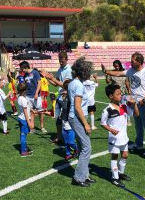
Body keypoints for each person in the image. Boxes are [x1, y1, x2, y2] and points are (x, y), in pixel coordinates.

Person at [102, 52, 145, 157]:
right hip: (134, 103)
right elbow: (118, 73)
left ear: (139, 61)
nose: (131, 63)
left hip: (143, 104)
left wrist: (144, 100)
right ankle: (139, 144)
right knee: (138, 125)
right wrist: (105, 71)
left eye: (133, 61)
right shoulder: (130, 71)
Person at [101, 84, 139, 187]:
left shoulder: (124, 106)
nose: (120, 95)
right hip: (114, 139)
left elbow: (136, 114)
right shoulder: (107, 110)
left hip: (124, 138)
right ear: (110, 96)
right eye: (118, 94)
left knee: (125, 155)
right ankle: (115, 178)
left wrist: (134, 104)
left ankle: (120, 173)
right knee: (115, 157)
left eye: (120, 93)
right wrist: (110, 129)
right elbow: (103, 123)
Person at [68, 57, 95, 187]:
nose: (89, 73)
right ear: (83, 71)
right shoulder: (78, 85)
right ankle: (78, 177)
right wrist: (86, 124)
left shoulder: (74, 82)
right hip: (77, 118)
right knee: (86, 148)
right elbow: (78, 107)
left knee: (81, 147)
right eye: (88, 71)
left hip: (74, 117)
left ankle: (85, 175)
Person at [42, 51, 73, 144]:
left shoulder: (69, 70)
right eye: (59, 60)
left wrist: (53, 79)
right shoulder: (60, 69)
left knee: (66, 120)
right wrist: (47, 78)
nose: (60, 62)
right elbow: (56, 84)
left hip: (66, 98)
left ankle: (69, 139)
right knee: (58, 119)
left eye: (62, 61)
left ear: (66, 59)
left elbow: (65, 86)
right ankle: (59, 138)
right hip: (59, 97)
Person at [20, 61, 46, 133]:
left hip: (36, 96)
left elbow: (39, 83)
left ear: (25, 67)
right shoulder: (25, 75)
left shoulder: (35, 72)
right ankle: (32, 127)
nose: (21, 70)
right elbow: (25, 86)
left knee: (40, 112)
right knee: (31, 112)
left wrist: (37, 93)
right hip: (28, 96)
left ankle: (42, 127)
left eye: (22, 68)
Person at [106, 60, 132, 125]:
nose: (116, 67)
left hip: (124, 92)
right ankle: (118, 119)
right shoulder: (112, 72)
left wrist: (129, 90)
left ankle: (128, 120)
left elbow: (127, 82)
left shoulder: (124, 72)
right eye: (115, 66)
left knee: (125, 106)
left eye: (117, 66)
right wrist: (107, 76)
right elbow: (108, 82)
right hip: (115, 93)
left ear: (120, 65)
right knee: (116, 106)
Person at [61, 80, 78, 161]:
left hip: (70, 122)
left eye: (65, 88)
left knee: (71, 142)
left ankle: (77, 149)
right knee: (66, 141)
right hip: (64, 121)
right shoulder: (64, 97)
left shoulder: (72, 98)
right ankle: (67, 153)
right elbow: (63, 108)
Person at [17, 83, 33, 157]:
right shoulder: (23, 99)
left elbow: (27, 108)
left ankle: (24, 148)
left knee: (22, 134)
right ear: (24, 90)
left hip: (20, 118)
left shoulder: (20, 97)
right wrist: (29, 122)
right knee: (23, 135)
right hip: (24, 119)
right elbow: (25, 112)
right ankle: (23, 151)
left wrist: (32, 110)